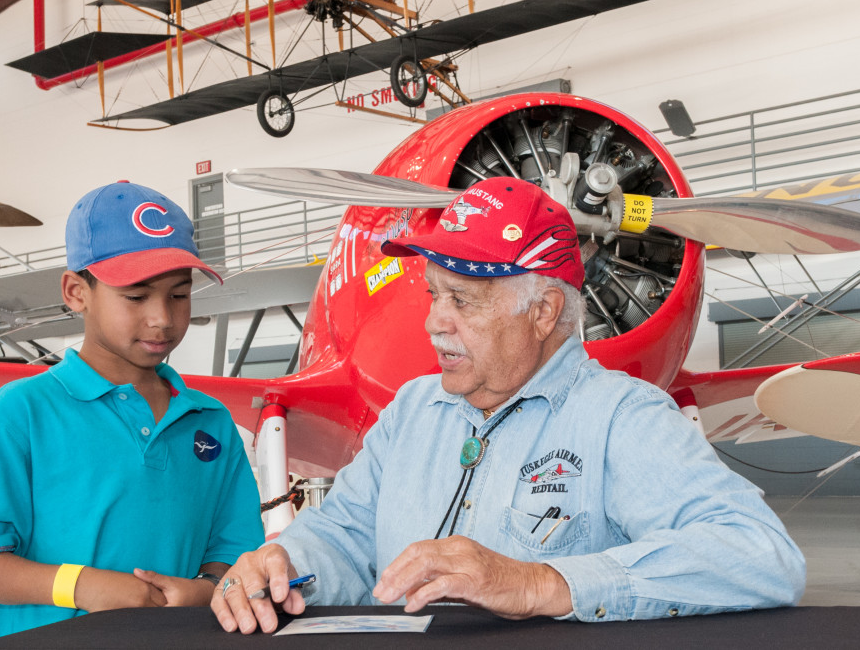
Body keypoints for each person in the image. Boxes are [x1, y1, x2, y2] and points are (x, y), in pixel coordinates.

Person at [211, 177, 806, 634]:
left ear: (543, 312)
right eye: (432, 295)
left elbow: (760, 553)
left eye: (461, 300)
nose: (433, 323)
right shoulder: (412, 410)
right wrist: (283, 562)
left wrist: (540, 584)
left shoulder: (621, 418)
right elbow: (344, 536)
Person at [0, 181, 265, 641]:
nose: (162, 318)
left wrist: (204, 589)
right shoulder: (20, 412)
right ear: (76, 292)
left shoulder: (210, 421)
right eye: (135, 297)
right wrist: (81, 585)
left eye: (179, 294)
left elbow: (235, 551)